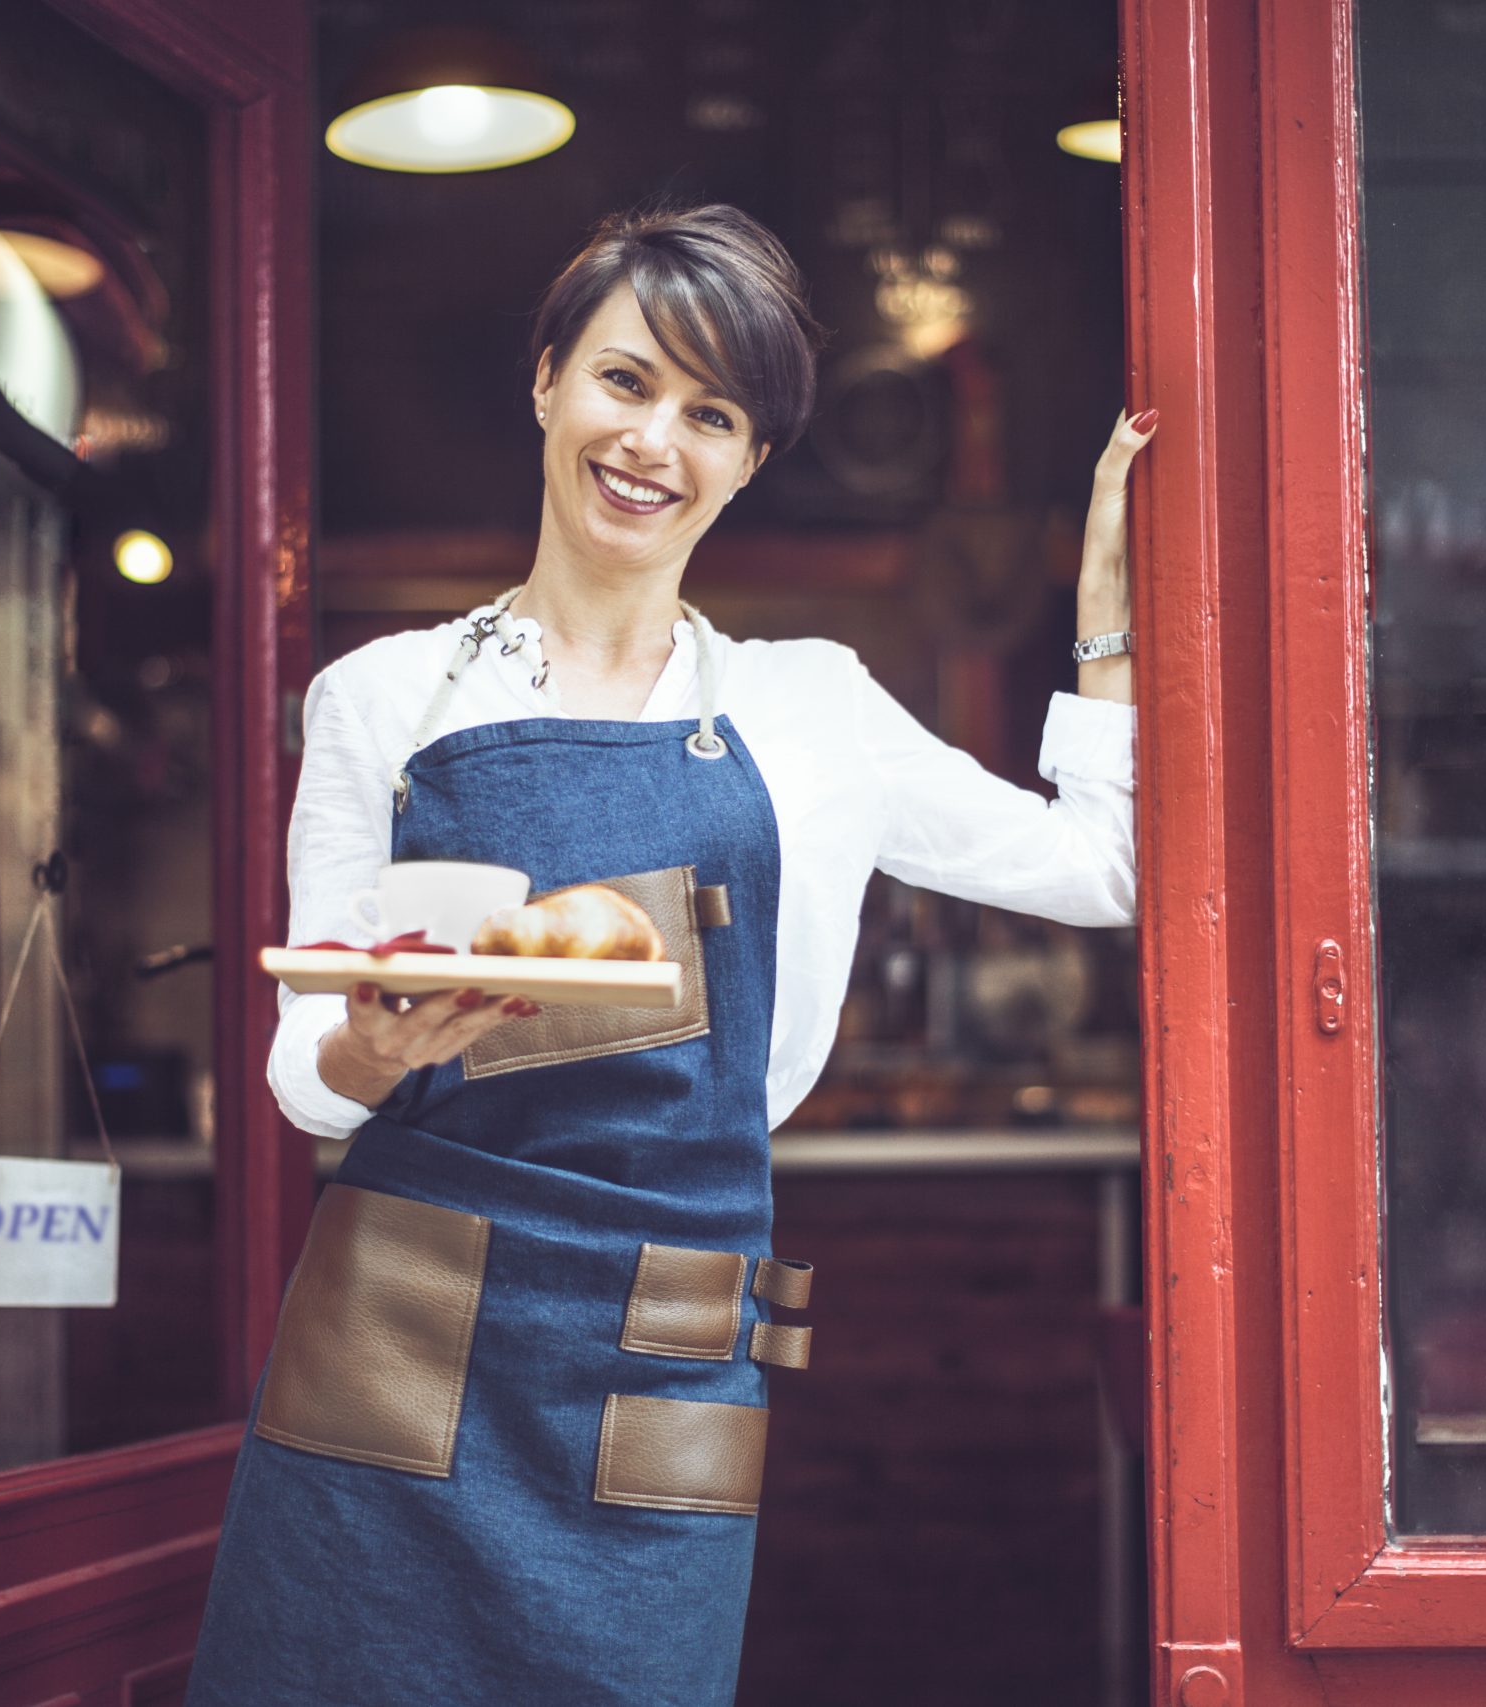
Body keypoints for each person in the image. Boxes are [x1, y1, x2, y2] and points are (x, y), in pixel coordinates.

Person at [186, 200, 1153, 1707]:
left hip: (663, 1350)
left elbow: (1113, 866)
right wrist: (377, 1041)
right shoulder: (381, 698)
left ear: (751, 461)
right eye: (626, 382)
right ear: (547, 379)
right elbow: (305, 1076)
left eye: (711, 413)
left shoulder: (810, 709)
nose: (654, 441)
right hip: (394, 1328)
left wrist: (1106, 614)